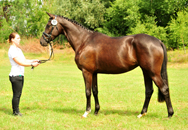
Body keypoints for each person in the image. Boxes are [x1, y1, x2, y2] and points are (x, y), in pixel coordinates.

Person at [8, 32, 40, 116]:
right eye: (17, 38)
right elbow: (20, 63)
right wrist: (32, 65)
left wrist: (33, 60)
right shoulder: (12, 50)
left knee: (18, 94)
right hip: (15, 75)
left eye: (19, 38)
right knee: (16, 95)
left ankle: (16, 111)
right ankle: (16, 112)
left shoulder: (18, 50)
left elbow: (24, 60)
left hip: (20, 75)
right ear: (12, 39)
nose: (19, 39)